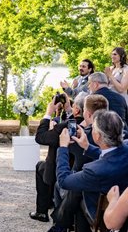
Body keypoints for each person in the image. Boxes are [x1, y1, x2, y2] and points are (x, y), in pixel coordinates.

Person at [56, 110, 128, 232]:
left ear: (97, 136)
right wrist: (88, 147)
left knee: (77, 194)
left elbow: (63, 181)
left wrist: (63, 147)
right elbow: (112, 156)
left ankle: (58, 231)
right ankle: (57, 231)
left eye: (93, 128)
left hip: (104, 215)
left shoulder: (94, 170)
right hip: (123, 206)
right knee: (77, 192)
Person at [29, 92, 86, 223]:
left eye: (74, 106)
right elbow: (74, 121)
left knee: (41, 166)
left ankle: (42, 211)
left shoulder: (64, 127)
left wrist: (48, 113)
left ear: (77, 109)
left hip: (60, 171)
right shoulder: (90, 125)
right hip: (78, 169)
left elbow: (40, 137)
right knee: (42, 165)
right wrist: (68, 110)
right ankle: (47, 204)